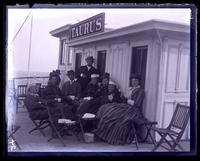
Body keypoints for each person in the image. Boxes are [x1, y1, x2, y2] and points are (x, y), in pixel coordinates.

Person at [94, 74, 146, 145]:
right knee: (109, 109)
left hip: (134, 110)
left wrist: (126, 100)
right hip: (126, 106)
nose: (134, 82)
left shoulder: (140, 91)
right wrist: (123, 98)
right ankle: (103, 130)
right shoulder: (131, 89)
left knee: (118, 117)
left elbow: (137, 104)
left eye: (136, 81)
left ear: (139, 82)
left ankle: (116, 136)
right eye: (133, 81)